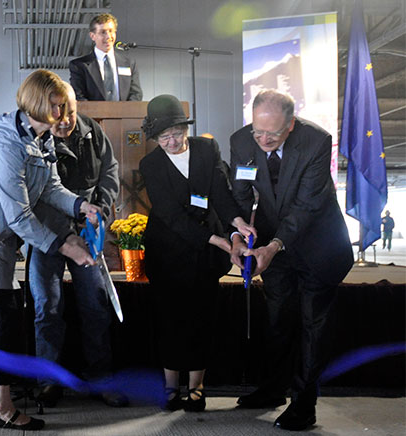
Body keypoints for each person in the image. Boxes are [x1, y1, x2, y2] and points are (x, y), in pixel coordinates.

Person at [0, 69, 99, 431]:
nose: (64, 116)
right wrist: (65, 245)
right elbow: (20, 216)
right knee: (2, 320)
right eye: (58, 107)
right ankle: (1, 407)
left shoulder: (39, 138)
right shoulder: (7, 148)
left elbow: (51, 188)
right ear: (37, 104)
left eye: (64, 107)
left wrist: (81, 206)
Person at [230, 89, 354, 431]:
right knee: (278, 319)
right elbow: (240, 193)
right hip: (273, 245)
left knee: (312, 326)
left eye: (273, 133)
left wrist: (274, 246)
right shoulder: (242, 141)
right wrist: (239, 234)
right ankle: (273, 389)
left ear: (291, 124)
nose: (263, 140)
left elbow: (305, 208)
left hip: (318, 245)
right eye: (258, 131)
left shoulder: (315, 141)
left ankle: (304, 404)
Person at [139, 94, 253, 413]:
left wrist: (237, 223)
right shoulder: (151, 165)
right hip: (169, 251)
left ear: (185, 128)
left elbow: (221, 192)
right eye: (164, 137)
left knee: (202, 318)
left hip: (205, 256)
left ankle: (197, 387)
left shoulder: (206, 149)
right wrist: (217, 240)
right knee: (171, 320)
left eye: (176, 133)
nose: (172, 141)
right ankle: (170, 386)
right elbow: (171, 215)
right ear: (155, 137)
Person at [28, 82, 126, 407]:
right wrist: (64, 235)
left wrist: (100, 206)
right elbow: (40, 196)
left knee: (96, 305)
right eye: (58, 112)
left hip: (87, 226)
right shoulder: (35, 141)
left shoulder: (92, 133)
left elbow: (110, 172)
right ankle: (49, 382)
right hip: (48, 231)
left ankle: (101, 379)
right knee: (48, 308)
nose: (66, 119)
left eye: (70, 110)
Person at [69, 13, 142, 101]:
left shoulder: (129, 64)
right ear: (92, 36)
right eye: (103, 32)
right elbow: (79, 96)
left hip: (125, 114)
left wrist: (126, 113)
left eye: (111, 31)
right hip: (92, 114)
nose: (108, 36)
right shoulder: (79, 65)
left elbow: (136, 94)